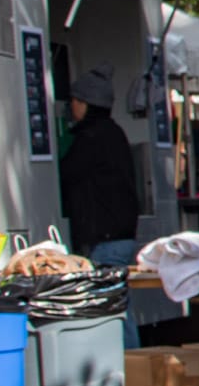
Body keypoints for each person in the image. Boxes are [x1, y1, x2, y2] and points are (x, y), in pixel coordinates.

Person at [59, 62, 139, 272]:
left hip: (104, 239)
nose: (71, 106)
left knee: (104, 301)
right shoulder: (115, 133)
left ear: (85, 103)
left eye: (74, 100)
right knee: (114, 299)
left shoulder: (90, 138)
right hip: (121, 235)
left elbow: (65, 174)